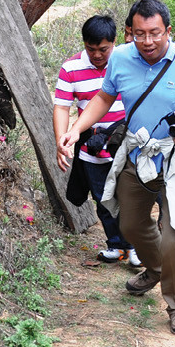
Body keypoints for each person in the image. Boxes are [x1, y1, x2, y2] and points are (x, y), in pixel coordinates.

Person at [58, 0, 175, 337]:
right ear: (130, 32)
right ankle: (158, 267)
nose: (147, 41)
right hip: (138, 152)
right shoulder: (120, 58)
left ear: (168, 31)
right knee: (129, 223)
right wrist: (75, 128)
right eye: (139, 34)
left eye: (155, 33)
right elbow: (104, 98)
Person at [52, 15, 140, 268]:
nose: (98, 55)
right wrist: (62, 141)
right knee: (103, 199)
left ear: (114, 43)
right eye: (91, 49)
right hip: (93, 148)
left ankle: (135, 247)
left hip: (128, 146)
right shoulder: (71, 68)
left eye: (104, 49)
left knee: (130, 197)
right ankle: (116, 245)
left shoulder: (127, 63)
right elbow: (61, 107)